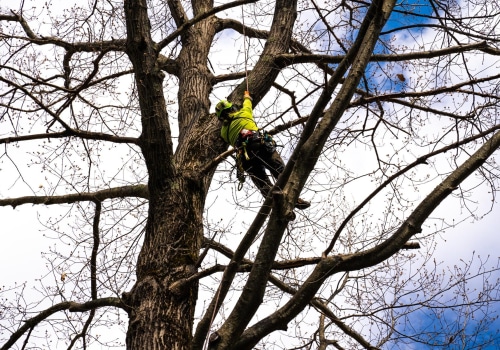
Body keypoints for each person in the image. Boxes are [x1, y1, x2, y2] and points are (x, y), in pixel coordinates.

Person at [215, 91, 310, 210]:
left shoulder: (223, 133)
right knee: (280, 171)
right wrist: (246, 96)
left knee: (263, 183)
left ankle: (277, 205)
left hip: (245, 158)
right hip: (259, 145)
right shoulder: (244, 113)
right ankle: (293, 198)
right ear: (232, 108)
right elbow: (248, 102)